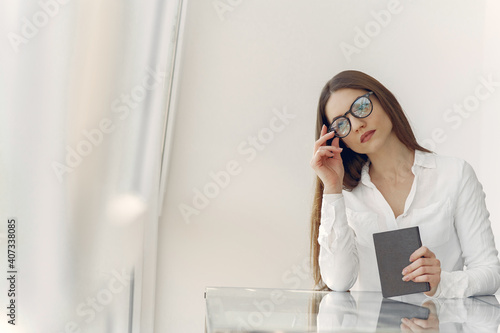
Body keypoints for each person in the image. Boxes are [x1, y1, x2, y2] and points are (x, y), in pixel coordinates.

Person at [309, 70, 500, 298]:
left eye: (361, 107)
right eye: (341, 124)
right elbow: (338, 282)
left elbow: (490, 272)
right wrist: (332, 188)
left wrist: (442, 283)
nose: (357, 124)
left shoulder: (454, 175)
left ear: (383, 99)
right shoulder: (345, 195)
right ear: (336, 138)